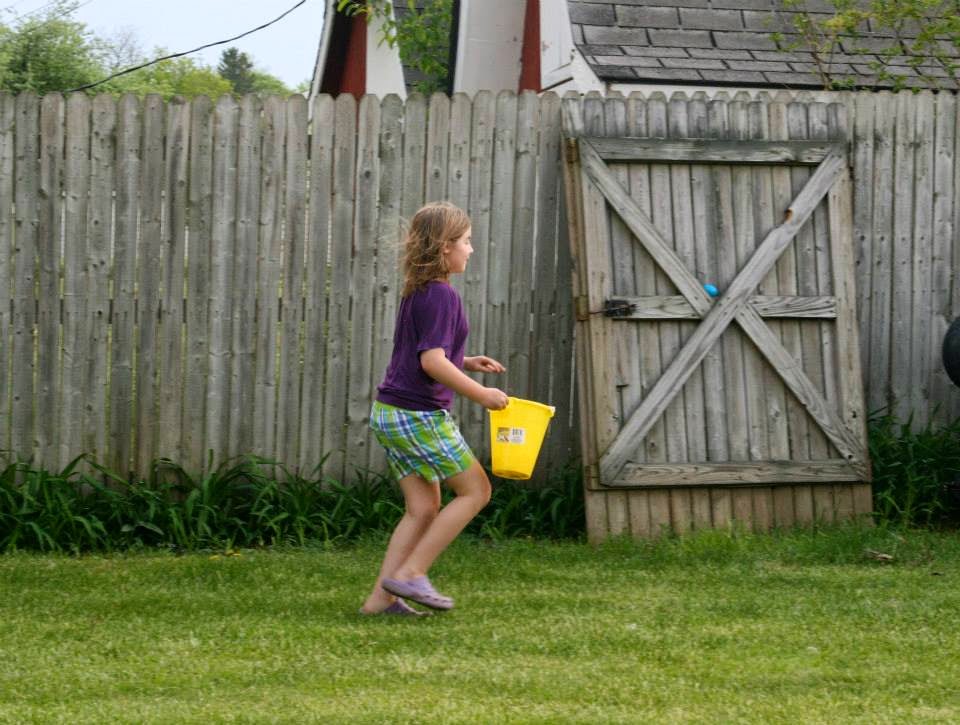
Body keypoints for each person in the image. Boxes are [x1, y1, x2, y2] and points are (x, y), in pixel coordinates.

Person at [360, 201, 508, 616]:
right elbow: (431, 363)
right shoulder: (442, 295)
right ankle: (411, 574)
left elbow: (427, 353)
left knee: (423, 508)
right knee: (477, 490)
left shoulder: (419, 290)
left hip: (390, 412)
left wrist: (466, 360)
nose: (471, 250)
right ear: (445, 247)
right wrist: (482, 395)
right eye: (466, 241)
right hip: (416, 415)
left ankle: (379, 601)